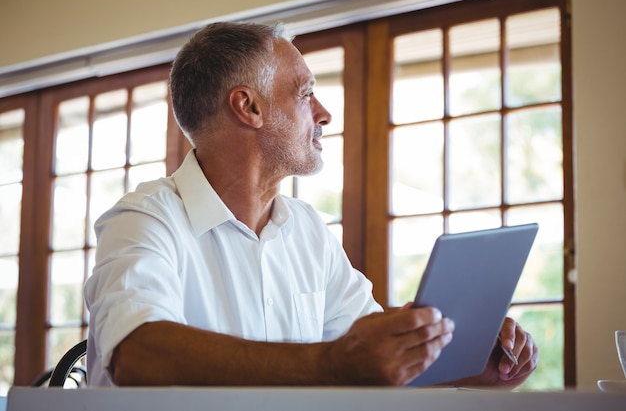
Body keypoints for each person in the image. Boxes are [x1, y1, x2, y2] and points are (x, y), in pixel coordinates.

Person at [84, 21, 538, 387]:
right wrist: (331, 363)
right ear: (249, 107)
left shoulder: (306, 230)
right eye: (305, 93)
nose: (324, 113)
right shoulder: (143, 219)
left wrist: (469, 361)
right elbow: (138, 354)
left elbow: (375, 363)